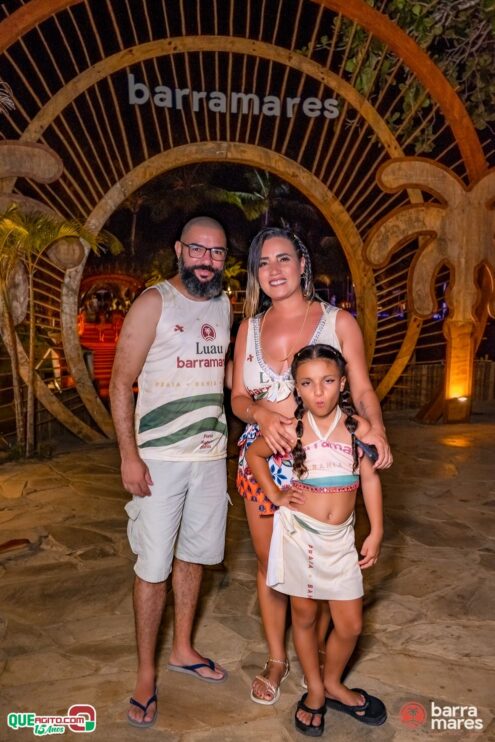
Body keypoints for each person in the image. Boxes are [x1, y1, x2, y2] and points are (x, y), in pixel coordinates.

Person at [231, 226, 392, 705]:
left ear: (302, 264)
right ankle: (277, 660)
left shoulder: (337, 322)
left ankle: (317, 659)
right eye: (263, 262)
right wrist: (259, 413)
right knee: (271, 566)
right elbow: (238, 397)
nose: (273, 270)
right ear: (256, 274)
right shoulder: (248, 328)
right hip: (264, 463)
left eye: (283, 258)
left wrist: (377, 430)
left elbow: (361, 387)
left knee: (319, 566)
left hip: (322, 459)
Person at [110, 216, 232, 728]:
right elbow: (121, 382)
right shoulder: (153, 303)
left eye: (217, 252)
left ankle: (182, 648)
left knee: (194, 557)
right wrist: (129, 456)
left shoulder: (224, 305)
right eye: (198, 249)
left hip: (210, 455)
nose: (207, 260)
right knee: (153, 567)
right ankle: (145, 674)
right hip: (159, 459)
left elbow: (221, 371)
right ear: (179, 249)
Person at [246, 344, 385, 735]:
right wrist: (275, 495)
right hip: (300, 538)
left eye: (327, 381)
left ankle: (333, 680)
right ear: (296, 388)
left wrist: (376, 530)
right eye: (307, 383)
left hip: (340, 541)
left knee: (350, 625)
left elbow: (370, 479)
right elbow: (255, 455)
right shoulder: (292, 428)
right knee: (304, 617)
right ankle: (317, 692)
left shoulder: (358, 428)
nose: (318, 392)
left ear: (342, 383)